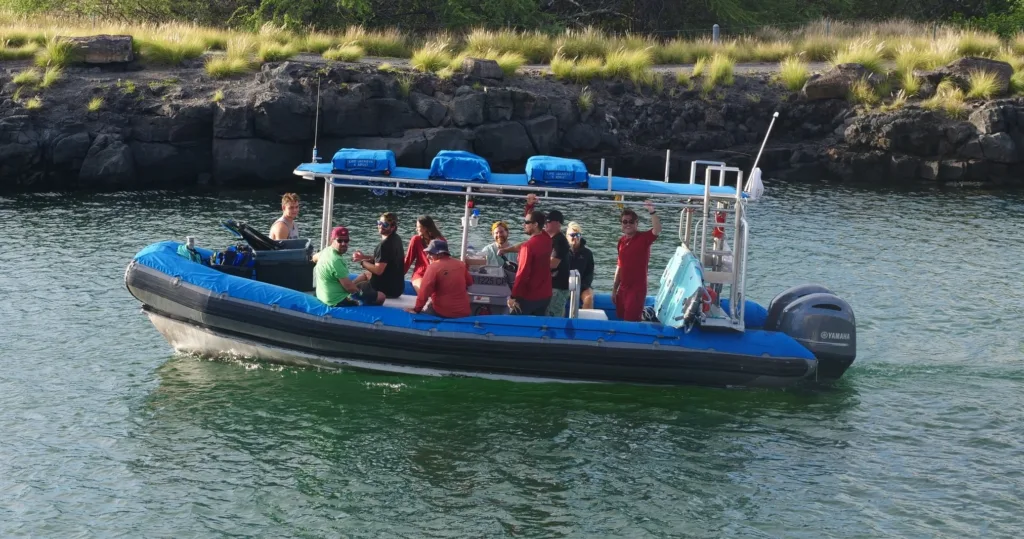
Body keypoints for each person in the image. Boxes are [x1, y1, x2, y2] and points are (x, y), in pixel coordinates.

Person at [613, 200, 662, 322]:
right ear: (621, 224)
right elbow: (619, 266)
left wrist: (652, 211)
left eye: (631, 221)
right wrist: (614, 289)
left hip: (636, 289)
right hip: (622, 289)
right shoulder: (621, 242)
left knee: (630, 321)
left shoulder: (643, 238)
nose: (627, 224)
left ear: (636, 223)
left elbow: (657, 230)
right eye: (625, 221)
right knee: (621, 317)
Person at [315, 227, 385, 307]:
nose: (343, 243)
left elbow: (314, 258)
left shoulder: (326, 251)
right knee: (381, 296)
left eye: (346, 240)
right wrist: (362, 293)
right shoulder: (336, 260)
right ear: (332, 240)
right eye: (340, 240)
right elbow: (349, 288)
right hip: (337, 300)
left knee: (364, 282)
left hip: (323, 295)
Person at [406, 239, 473, 318]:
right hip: (464, 312)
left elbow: (424, 292)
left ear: (440, 254)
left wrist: (416, 310)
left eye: (430, 253)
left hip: (442, 312)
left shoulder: (433, 267)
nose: (427, 256)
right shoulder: (461, 264)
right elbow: (470, 282)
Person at [352, 212, 406, 301]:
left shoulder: (383, 245)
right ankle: (347, 287)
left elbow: (378, 270)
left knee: (365, 275)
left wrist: (362, 262)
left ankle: (345, 289)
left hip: (385, 290)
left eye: (385, 224)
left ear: (393, 227)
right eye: (379, 223)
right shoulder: (396, 239)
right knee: (367, 274)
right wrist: (363, 257)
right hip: (398, 289)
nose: (380, 226)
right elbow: (383, 259)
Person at [507, 210, 552, 316]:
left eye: (527, 222)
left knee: (513, 324)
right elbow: (541, 226)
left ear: (535, 224)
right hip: (545, 295)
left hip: (529, 297)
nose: (524, 224)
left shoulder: (527, 247)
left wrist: (513, 297)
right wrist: (530, 207)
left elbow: (522, 275)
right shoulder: (548, 240)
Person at [404, 215, 445, 292]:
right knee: (423, 290)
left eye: (418, 227)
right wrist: (398, 276)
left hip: (437, 275)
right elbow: (408, 260)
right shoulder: (416, 239)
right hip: (420, 274)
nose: (416, 229)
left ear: (425, 228)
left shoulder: (440, 241)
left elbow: (445, 261)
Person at [544, 209, 571, 318]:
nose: (545, 224)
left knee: (553, 316)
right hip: (552, 286)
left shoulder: (559, 241)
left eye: (548, 221)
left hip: (558, 288)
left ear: (558, 223)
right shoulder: (552, 240)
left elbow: (552, 264)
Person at [566, 221, 595, 310]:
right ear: (567, 236)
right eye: (572, 235)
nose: (575, 238)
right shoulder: (562, 252)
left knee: (588, 298)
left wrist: (582, 285)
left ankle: (585, 322)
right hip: (564, 286)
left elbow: (590, 273)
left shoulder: (587, 253)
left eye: (577, 235)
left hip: (582, 286)